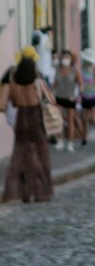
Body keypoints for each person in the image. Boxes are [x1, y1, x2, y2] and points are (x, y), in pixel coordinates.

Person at [0, 52, 55, 203]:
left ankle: (24, 193)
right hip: (36, 119)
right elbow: (51, 99)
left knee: (21, 156)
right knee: (40, 155)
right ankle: (41, 192)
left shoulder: (12, 83)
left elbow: (2, 106)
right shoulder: (37, 82)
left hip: (21, 120)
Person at [52, 49, 81, 151]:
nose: (65, 59)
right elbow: (55, 84)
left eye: (67, 57)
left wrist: (78, 96)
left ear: (70, 59)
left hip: (70, 97)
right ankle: (60, 140)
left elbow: (80, 84)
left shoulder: (74, 70)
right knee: (58, 120)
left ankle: (70, 143)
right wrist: (51, 94)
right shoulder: (58, 70)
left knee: (70, 120)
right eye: (64, 57)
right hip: (59, 96)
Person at [78, 49, 95, 147]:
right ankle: (84, 138)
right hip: (85, 96)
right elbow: (81, 83)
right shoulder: (82, 69)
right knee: (84, 119)